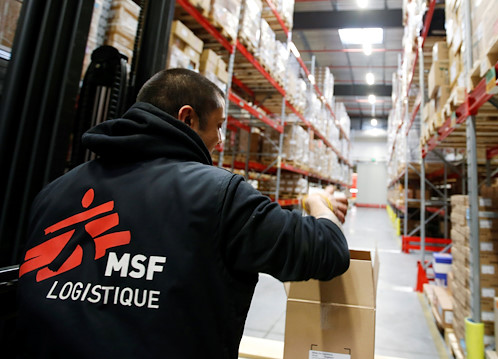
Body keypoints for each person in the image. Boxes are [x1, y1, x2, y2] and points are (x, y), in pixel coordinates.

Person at [17, 68, 350, 358]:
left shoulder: (55, 192)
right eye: (219, 126)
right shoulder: (220, 195)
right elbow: (327, 250)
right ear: (187, 118)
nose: (220, 140)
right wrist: (317, 202)